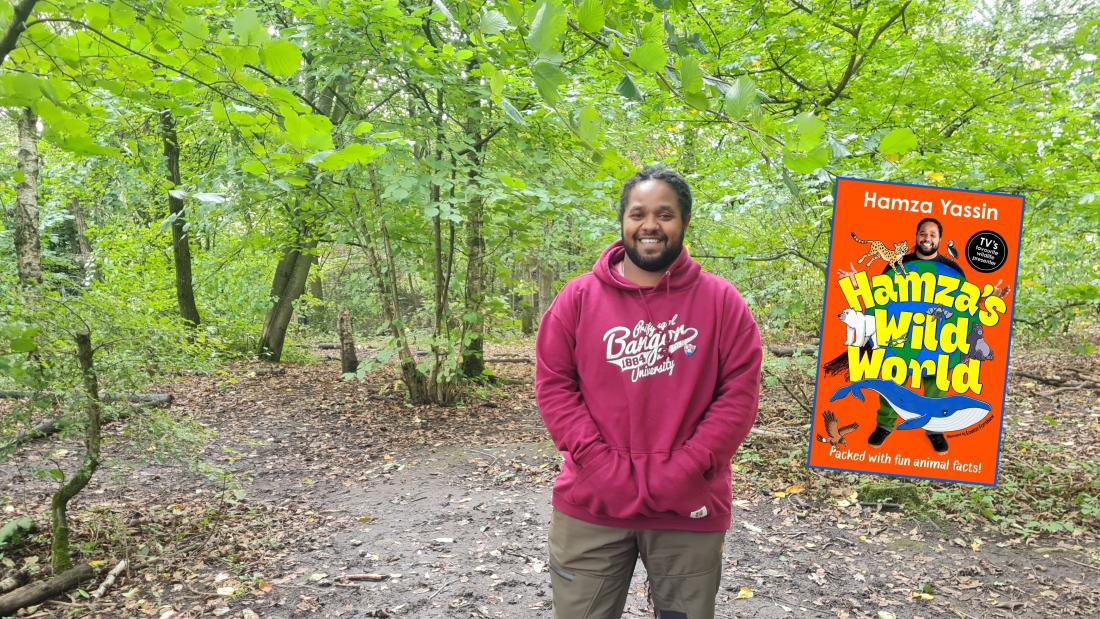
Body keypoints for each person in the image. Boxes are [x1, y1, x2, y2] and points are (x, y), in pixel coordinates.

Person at [535, 167, 762, 619]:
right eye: (638, 213)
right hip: (593, 503)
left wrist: (686, 467)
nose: (650, 225)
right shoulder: (578, 298)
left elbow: (739, 394)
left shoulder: (721, 301)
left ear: (684, 223)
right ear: (622, 221)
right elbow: (555, 386)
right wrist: (599, 464)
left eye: (665, 214)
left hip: (688, 505)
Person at [868, 217, 967, 454]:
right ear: (916, 236)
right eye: (923, 233)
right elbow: (880, 299)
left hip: (937, 338)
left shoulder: (953, 270)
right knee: (892, 380)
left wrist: (988, 298)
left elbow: (965, 307)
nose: (927, 238)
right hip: (901, 334)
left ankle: (934, 429)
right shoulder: (896, 264)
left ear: (940, 240)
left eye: (933, 234)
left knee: (936, 384)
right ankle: (884, 425)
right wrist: (853, 282)